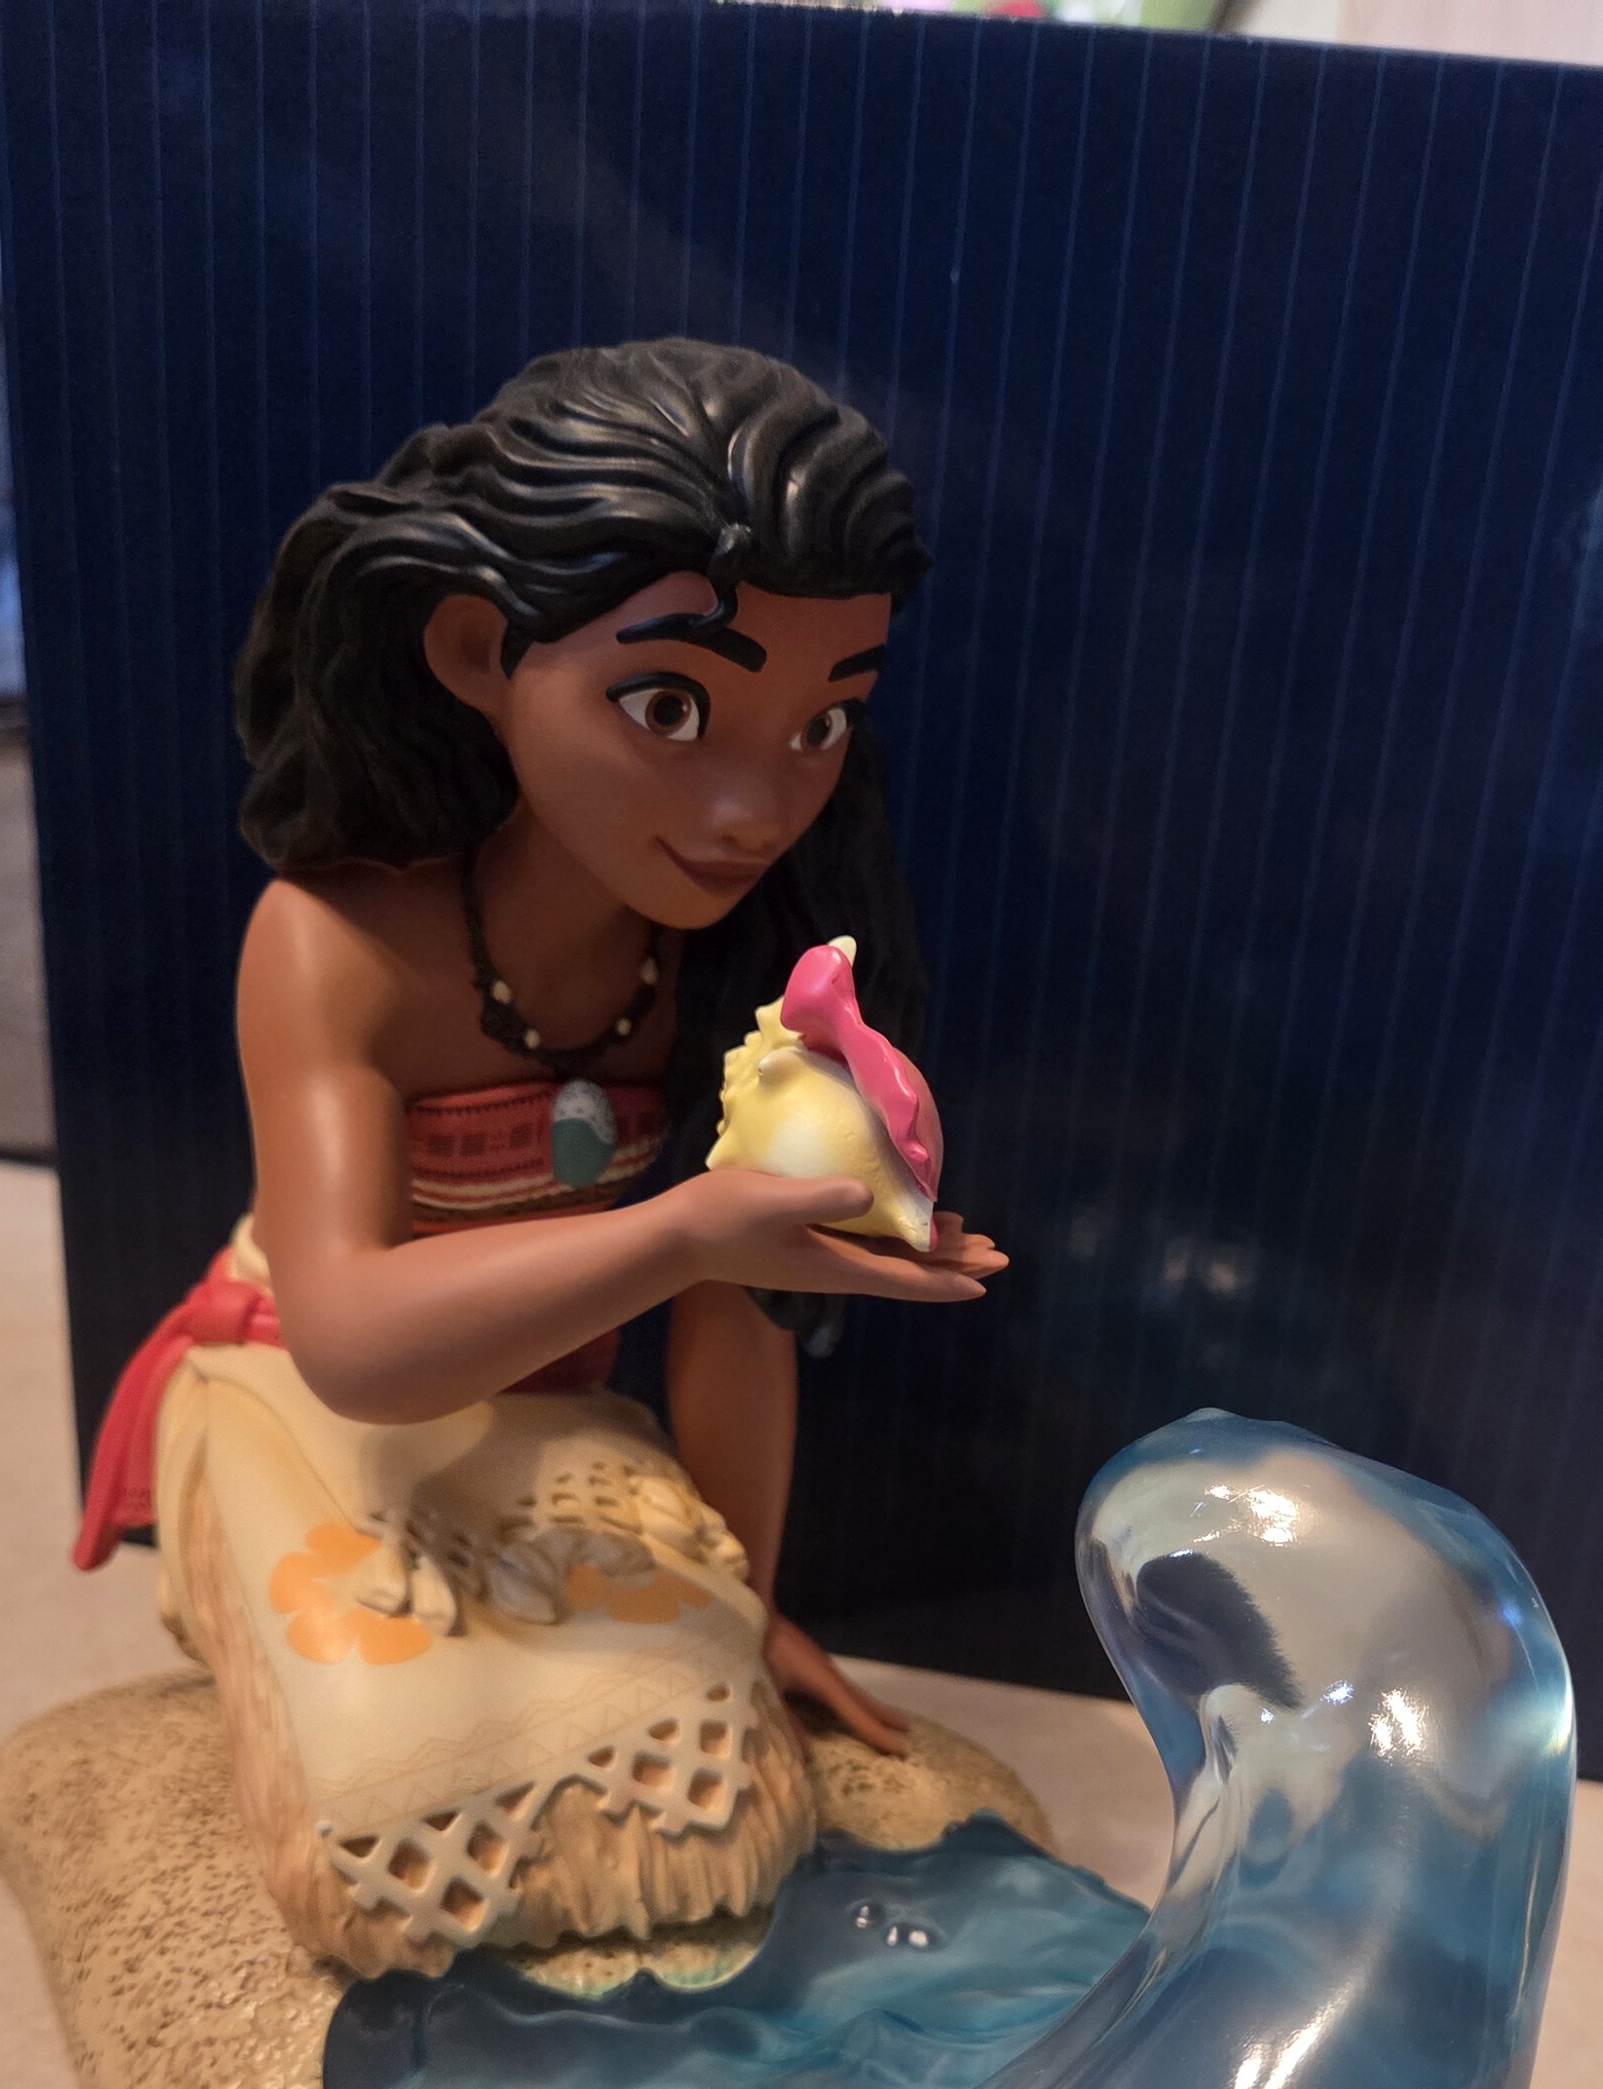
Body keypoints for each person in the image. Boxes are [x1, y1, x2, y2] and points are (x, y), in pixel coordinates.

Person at [72, 338, 1004, 1977]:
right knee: (398, 1770)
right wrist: (685, 1232)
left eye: (818, 725)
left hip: (553, 1419)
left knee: (704, 1777)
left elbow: (734, 1326)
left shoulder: (738, 963)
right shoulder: (338, 947)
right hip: (308, 1400)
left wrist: (744, 1601)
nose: (753, 806)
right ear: (475, 650)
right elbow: (355, 1341)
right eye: (670, 706)